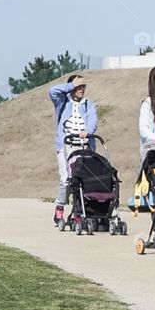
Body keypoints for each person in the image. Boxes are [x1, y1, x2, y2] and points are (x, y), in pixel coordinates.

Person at [49, 74, 97, 226]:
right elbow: (52, 91)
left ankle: (77, 211)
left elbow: (93, 120)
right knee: (66, 180)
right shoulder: (62, 101)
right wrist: (70, 85)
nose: (81, 89)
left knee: (81, 180)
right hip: (66, 145)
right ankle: (60, 208)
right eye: (78, 86)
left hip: (84, 145)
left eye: (83, 86)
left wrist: (87, 132)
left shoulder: (89, 104)